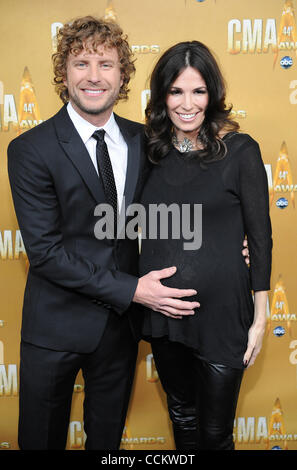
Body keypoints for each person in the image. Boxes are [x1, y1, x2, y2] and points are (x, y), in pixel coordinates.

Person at [7, 17, 199, 450]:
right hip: (53, 329)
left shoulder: (145, 141)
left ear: (123, 75)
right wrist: (133, 290)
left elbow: (177, 212)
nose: (94, 76)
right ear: (63, 74)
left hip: (119, 333)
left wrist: (233, 246)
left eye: (106, 64)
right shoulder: (30, 150)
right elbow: (46, 252)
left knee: (107, 446)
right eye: (81, 63)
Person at [139, 41, 272, 450]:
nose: (187, 103)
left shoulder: (240, 151)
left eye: (198, 91)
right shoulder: (148, 153)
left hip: (222, 318)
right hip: (164, 315)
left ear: (212, 93)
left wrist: (261, 315)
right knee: (182, 415)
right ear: (162, 95)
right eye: (176, 91)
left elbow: (261, 234)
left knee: (215, 436)